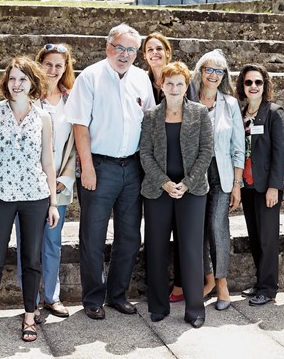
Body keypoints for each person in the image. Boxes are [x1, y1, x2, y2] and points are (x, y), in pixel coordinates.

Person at [65, 23, 155, 320]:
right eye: (120, 47)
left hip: (132, 166)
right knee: (93, 235)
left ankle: (118, 294)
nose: (125, 54)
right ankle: (92, 299)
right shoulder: (90, 77)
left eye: (131, 49)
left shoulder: (142, 78)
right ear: (108, 47)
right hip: (99, 166)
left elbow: (150, 121)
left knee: (129, 236)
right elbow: (80, 125)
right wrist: (87, 167)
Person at [0, 56, 60, 344]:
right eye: (12, 78)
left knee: (32, 259)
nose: (16, 84)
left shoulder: (43, 116)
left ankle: (29, 317)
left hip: (35, 196)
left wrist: (52, 202)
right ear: (5, 81)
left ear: (33, 82)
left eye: (23, 78)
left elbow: (48, 161)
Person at [140, 61, 213, 328]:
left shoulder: (200, 113)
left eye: (179, 84)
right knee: (156, 247)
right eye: (168, 83)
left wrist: (187, 182)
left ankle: (195, 309)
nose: (173, 88)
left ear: (186, 87)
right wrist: (164, 183)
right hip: (158, 192)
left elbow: (207, 151)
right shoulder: (150, 116)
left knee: (192, 249)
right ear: (161, 85)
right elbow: (145, 153)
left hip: (192, 192)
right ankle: (158, 305)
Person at [15, 43, 76, 320]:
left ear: (65, 69)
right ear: (39, 65)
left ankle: (51, 296)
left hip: (58, 184)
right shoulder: (27, 98)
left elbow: (75, 144)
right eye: (48, 64)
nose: (53, 70)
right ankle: (32, 300)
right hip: (27, 184)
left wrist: (64, 178)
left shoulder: (71, 101)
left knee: (52, 242)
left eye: (58, 65)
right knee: (27, 243)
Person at [187, 49, 245, 311]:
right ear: (201, 71)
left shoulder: (230, 104)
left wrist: (236, 183)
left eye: (219, 71)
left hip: (221, 175)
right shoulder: (189, 101)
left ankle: (222, 283)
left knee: (217, 227)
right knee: (196, 229)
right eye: (209, 69)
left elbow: (238, 146)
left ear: (224, 76)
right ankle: (207, 279)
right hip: (194, 176)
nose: (213, 75)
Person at [235, 64, 284, 306]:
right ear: (242, 86)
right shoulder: (241, 113)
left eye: (258, 82)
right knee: (255, 237)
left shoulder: (274, 113)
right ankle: (260, 282)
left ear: (265, 86)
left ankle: (268, 289)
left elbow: (280, 153)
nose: (253, 86)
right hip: (247, 185)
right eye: (248, 82)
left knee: (268, 238)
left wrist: (275, 187)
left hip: (267, 186)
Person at [142, 32, 173, 104]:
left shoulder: (181, 79)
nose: (154, 52)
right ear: (145, 56)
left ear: (167, 53)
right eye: (150, 50)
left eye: (159, 48)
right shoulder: (142, 82)